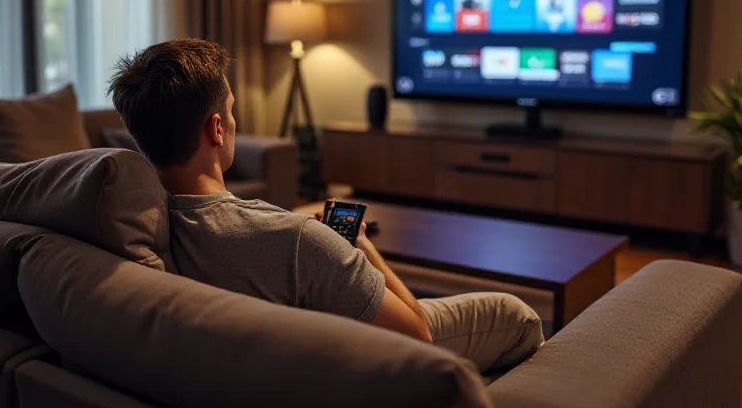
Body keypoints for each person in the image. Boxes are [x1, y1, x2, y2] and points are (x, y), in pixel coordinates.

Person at [108, 38, 543, 373]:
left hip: (277, 345)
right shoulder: (298, 240)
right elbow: (419, 338)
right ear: (217, 128)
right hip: (349, 351)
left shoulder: (132, 226)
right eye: (233, 111)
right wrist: (363, 251)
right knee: (515, 314)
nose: (237, 122)